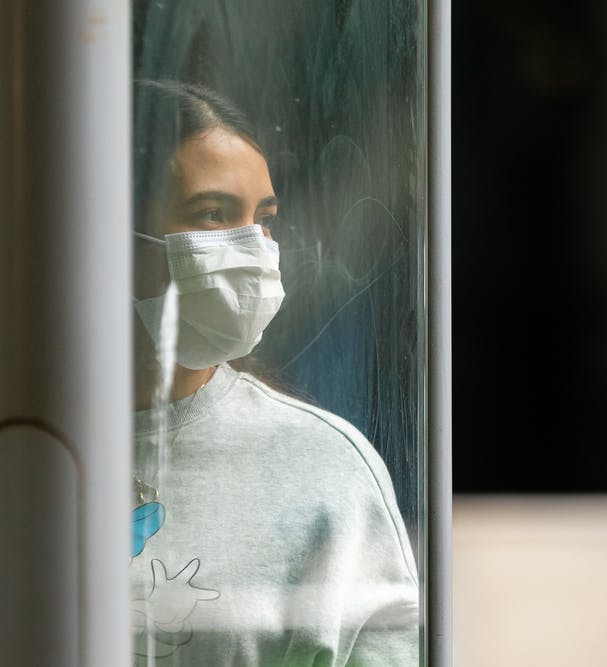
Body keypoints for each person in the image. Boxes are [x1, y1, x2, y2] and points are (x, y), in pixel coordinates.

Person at [130, 79, 418, 666]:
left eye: (264, 219)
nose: (254, 249)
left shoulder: (323, 464)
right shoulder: (29, 442)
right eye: (212, 213)